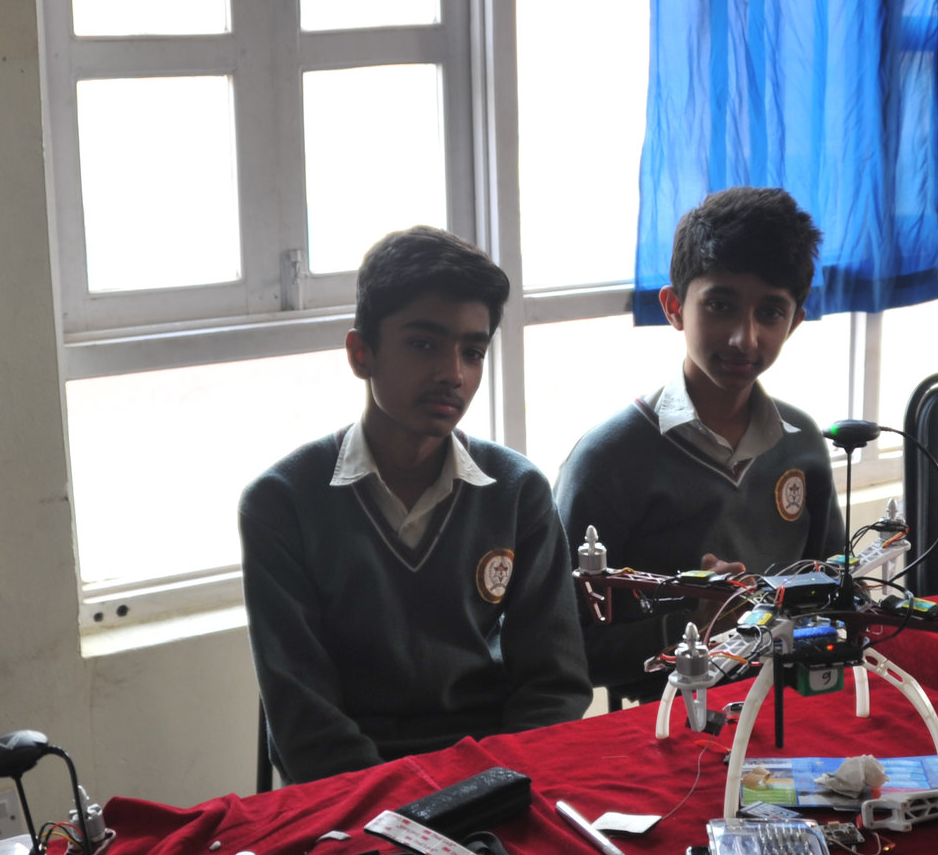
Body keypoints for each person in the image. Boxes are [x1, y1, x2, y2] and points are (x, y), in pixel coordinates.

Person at [240, 227, 589, 783]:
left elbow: (554, 686)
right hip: (352, 797)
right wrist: (411, 812)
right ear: (361, 353)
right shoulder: (282, 504)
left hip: (497, 784)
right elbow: (304, 725)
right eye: (424, 343)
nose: (452, 373)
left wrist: (492, 789)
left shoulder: (517, 491)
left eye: (472, 352)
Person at [556, 187, 847, 698]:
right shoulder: (607, 462)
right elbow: (567, 653)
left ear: (795, 321)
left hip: (795, 703)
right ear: (673, 307)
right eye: (720, 305)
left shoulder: (801, 445)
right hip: (667, 723)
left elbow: (836, 592)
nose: (744, 338)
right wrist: (693, 621)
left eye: (770, 313)